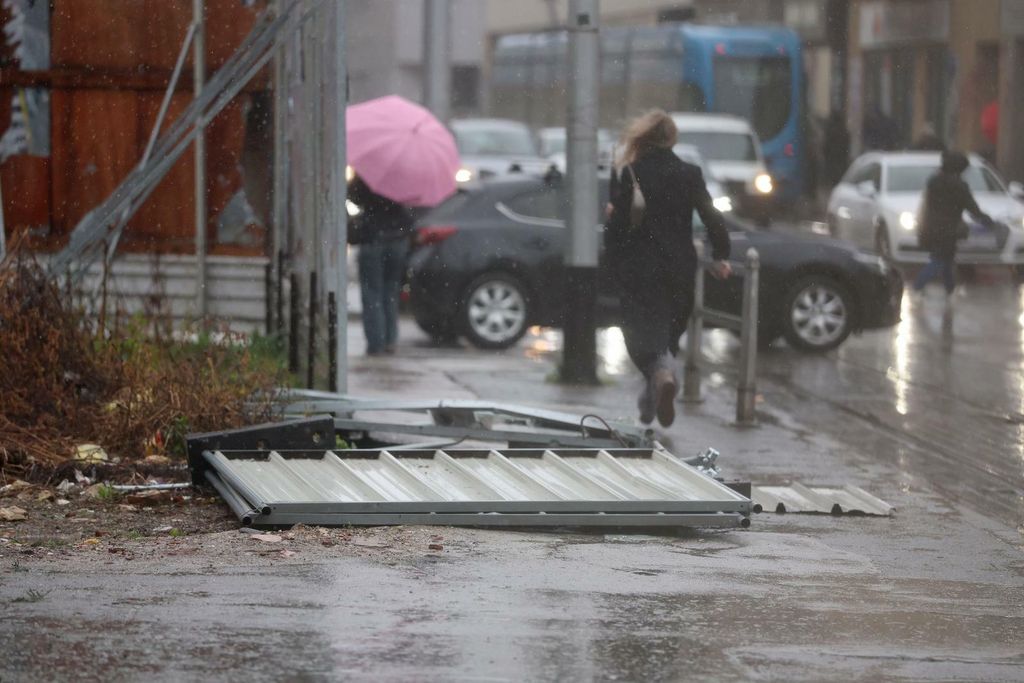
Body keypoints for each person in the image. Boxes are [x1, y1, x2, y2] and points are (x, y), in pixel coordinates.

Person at [606, 110, 731, 427]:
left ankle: (661, 377)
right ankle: (654, 394)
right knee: (668, 338)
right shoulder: (689, 173)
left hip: (641, 268)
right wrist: (721, 254)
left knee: (639, 338)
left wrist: (613, 256)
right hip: (680, 267)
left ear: (644, 138)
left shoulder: (633, 173)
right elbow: (711, 214)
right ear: (672, 138)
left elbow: (618, 226)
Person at [348, 176, 414, 356]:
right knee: (390, 291)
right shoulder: (404, 174)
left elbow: (353, 195)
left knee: (372, 293)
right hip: (398, 239)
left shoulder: (368, 172)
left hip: (373, 237)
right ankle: (390, 340)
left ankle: (376, 343)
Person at [912, 150, 992, 296]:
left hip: (931, 227)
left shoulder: (934, 181)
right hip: (948, 230)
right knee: (939, 260)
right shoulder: (959, 185)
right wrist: (986, 220)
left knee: (946, 260)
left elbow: (926, 204)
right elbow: (971, 207)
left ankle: (949, 291)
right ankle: (918, 286)